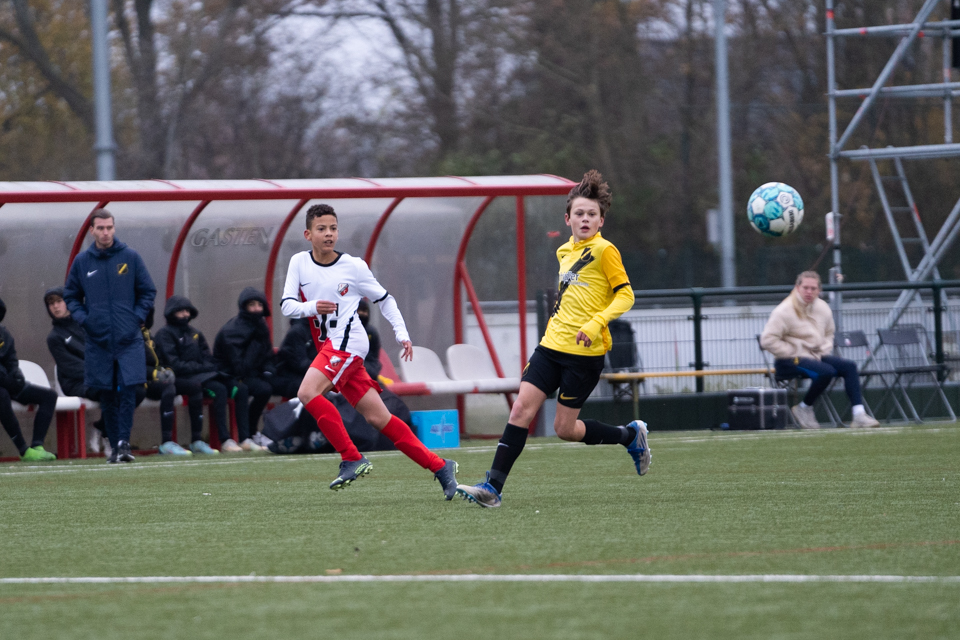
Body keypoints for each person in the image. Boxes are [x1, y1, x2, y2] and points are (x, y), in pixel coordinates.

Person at [456, 170, 649, 509]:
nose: (585, 219)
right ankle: (492, 488)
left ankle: (630, 435)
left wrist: (595, 323)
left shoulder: (605, 251)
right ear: (568, 218)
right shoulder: (564, 252)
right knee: (520, 409)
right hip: (550, 348)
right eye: (579, 213)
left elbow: (626, 296)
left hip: (584, 355)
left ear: (601, 220)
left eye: (592, 214)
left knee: (565, 428)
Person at [280, 203, 458, 496]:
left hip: (349, 343)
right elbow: (287, 304)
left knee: (307, 392)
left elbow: (385, 299)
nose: (328, 234)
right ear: (308, 234)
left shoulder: (353, 266)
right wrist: (312, 306)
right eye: (321, 229)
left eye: (333, 228)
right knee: (379, 418)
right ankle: (440, 466)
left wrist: (402, 334)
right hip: (332, 346)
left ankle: (351, 457)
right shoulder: (299, 262)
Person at [63, 209, 156, 463]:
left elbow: (147, 291)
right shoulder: (82, 262)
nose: (106, 232)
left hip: (128, 339)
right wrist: (86, 320)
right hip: (98, 340)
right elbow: (70, 296)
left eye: (109, 227)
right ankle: (115, 445)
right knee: (107, 393)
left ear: (114, 228)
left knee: (129, 390)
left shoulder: (130, 257)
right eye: (101, 228)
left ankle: (124, 443)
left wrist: (135, 317)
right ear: (91, 230)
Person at [760, 271, 880, 429]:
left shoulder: (822, 308)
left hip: (816, 356)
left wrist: (824, 349)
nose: (809, 292)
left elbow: (829, 333)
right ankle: (804, 408)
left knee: (849, 366)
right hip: (789, 360)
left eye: (813, 288)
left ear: (819, 290)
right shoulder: (783, 311)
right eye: (805, 288)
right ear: (797, 288)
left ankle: (859, 415)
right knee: (826, 371)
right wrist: (792, 350)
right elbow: (767, 340)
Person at [153, 295, 249, 454]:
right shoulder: (165, 334)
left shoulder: (195, 333)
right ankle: (224, 440)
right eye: (180, 311)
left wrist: (199, 367)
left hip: (205, 376)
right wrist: (199, 367)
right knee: (219, 389)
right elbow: (175, 365)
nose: (185, 315)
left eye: (187, 311)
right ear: (171, 313)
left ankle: (244, 438)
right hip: (184, 380)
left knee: (240, 388)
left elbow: (209, 360)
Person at [44, 286, 109, 455]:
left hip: (98, 378)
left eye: (59, 301)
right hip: (74, 383)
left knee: (131, 389)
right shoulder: (54, 337)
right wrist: (101, 374)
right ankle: (111, 439)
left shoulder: (85, 325)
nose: (56, 307)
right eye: (51, 304)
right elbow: (70, 367)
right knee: (110, 391)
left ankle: (102, 429)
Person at [213, 288, 273, 451]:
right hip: (228, 375)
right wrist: (256, 343)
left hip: (250, 374)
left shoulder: (260, 326)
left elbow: (267, 355)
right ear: (243, 306)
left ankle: (252, 433)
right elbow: (239, 366)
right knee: (243, 390)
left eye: (260, 305)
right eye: (252, 305)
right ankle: (244, 437)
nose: (257, 309)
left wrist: (268, 371)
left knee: (266, 389)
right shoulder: (231, 331)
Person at [0, 296, 58, 461]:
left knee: (49, 396)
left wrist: (16, 377)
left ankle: (37, 445)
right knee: (2, 394)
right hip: (3, 386)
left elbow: (11, 360)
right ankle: (24, 450)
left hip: (9, 383)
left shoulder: (3, 333)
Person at [140, 307, 198, 455]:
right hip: (141, 384)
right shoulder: (128, 337)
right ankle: (166, 443)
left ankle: (197, 441)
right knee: (169, 388)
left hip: (156, 381)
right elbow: (130, 365)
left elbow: (162, 360)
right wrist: (154, 373)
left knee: (195, 387)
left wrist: (167, 370)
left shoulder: (149, 337)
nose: (142, 319)